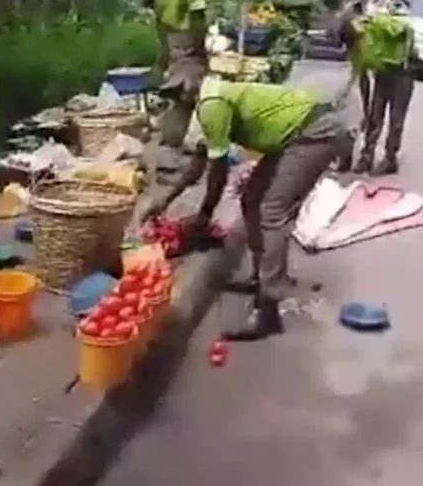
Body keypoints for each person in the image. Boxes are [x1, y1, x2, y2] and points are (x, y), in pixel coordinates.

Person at [144, 75, 355, 341]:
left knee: (272, 212)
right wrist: (165, 199)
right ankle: (261, 278)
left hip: (314, 133)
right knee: (252, 199)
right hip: (294, 134)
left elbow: (217, 171)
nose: (173, 106)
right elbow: (198, 164)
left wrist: (206, 214)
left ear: (187, 90)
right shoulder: (207, 106)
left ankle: (268, 309)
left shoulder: (212, 104)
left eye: (174, 99)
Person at [152, 0, 211, 147]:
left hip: (166, 28)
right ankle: (176, 143)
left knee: (171, 82)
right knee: (185, 89)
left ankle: (169, 137)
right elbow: (197, 8)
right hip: (187, 32)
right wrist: (202, 44)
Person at [353, 0, 416, 175]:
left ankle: (389, 158)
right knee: (376, 117)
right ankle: (368, 155)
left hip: (402, 75)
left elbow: (397, 31)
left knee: (394, 120)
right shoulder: (383, 22)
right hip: (385, 73)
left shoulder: (403, 25)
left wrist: (374, 17)